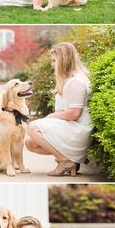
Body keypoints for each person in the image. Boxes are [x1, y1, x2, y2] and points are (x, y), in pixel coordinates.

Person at [26, 43, 92, 176]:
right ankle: (73, 160)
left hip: (78, 129)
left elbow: (74, 113)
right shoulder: (69, 80)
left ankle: (65, 161)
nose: (52, 64)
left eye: (54, 61)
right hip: (71, 127)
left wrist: (51, 116)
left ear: (63, 60)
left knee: (33, 128)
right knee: (30, 144)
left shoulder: (76, 82)